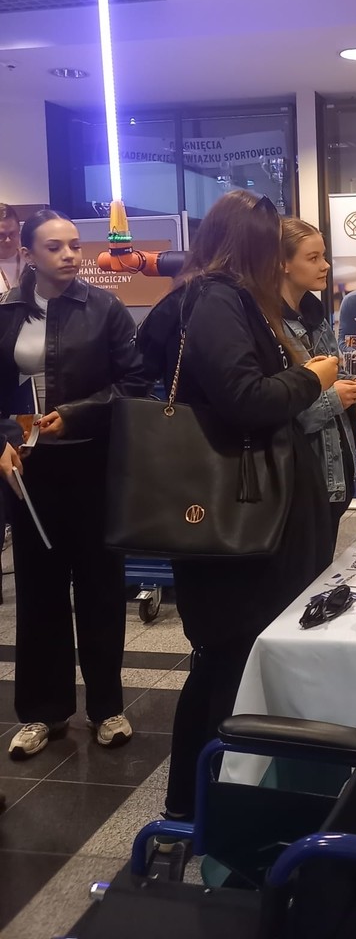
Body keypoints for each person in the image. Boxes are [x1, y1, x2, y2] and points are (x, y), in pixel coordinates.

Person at [138, 191, 339, 820]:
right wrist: (313, 377)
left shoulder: (213, 298)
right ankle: (210, 807)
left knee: (230, 663)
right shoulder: (217, 299)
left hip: (246, 517)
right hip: (237, 524)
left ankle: (208, 803)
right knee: (230, 664)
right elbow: (245, 399)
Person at [0, 210, 146, 760]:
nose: (68, 255)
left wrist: (77, 414)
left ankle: (107, 707)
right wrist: (1, 440)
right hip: (28, 469)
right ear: (28, 254)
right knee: (38, 593)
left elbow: (135, 381)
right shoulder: (7, 312)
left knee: (100, 589)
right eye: (54, 247)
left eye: (74, 245)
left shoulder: (103, 307)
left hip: (92, 463)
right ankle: (44, 712)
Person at [281, 218, 356, 548]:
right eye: (313, 258)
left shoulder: (316, 316)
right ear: (283, 264)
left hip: (335, 476)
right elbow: (287, 411)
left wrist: (354, 386)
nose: (324, 266)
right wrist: (336, 397)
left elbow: (333, 376)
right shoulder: (271, 327)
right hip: (302, 482)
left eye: (323, 256)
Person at [0, 204, 22, 291]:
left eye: (12, 234)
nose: (8, 240)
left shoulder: (32, 262)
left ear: (19, 230)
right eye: (1, 235)